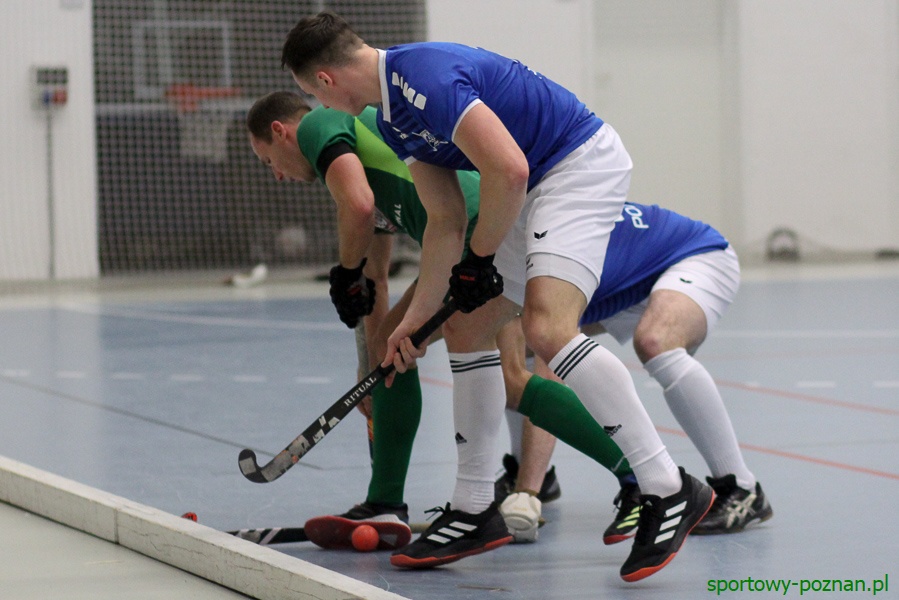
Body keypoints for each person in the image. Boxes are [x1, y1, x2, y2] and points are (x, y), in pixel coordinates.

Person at [282, 12, 714, 582]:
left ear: (326, 79)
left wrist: (481, 258)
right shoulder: (391, 118)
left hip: (575, 166)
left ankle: (667, 486)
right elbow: (444, 220)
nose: (317, 105)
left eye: (311, 93)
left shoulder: (423, 77)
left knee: (549, 330)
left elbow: (508, 169)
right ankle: (474, 508)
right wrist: (413, 323)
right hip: (529, 187)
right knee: (464, 327)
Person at [245, 91, 632, 552]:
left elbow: (359, 207)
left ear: (281, 132)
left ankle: (640, 477)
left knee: (487, 372)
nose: (278, 175)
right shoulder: (363, 159)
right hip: (494, 229)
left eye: (268, 161)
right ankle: (640, 475)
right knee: (499, 375)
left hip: (477, 238)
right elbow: (375, 281)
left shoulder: (320, 123)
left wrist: (345, 273)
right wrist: (371, 369)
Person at [494, 202, 773, 543]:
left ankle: (741, 488)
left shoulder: (554, 252)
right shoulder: (519, 243)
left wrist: (527, 493)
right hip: (628, 279)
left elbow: (550, 372)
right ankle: (529, 467)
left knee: (656, 341)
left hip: (695, 256)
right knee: (518, 343)